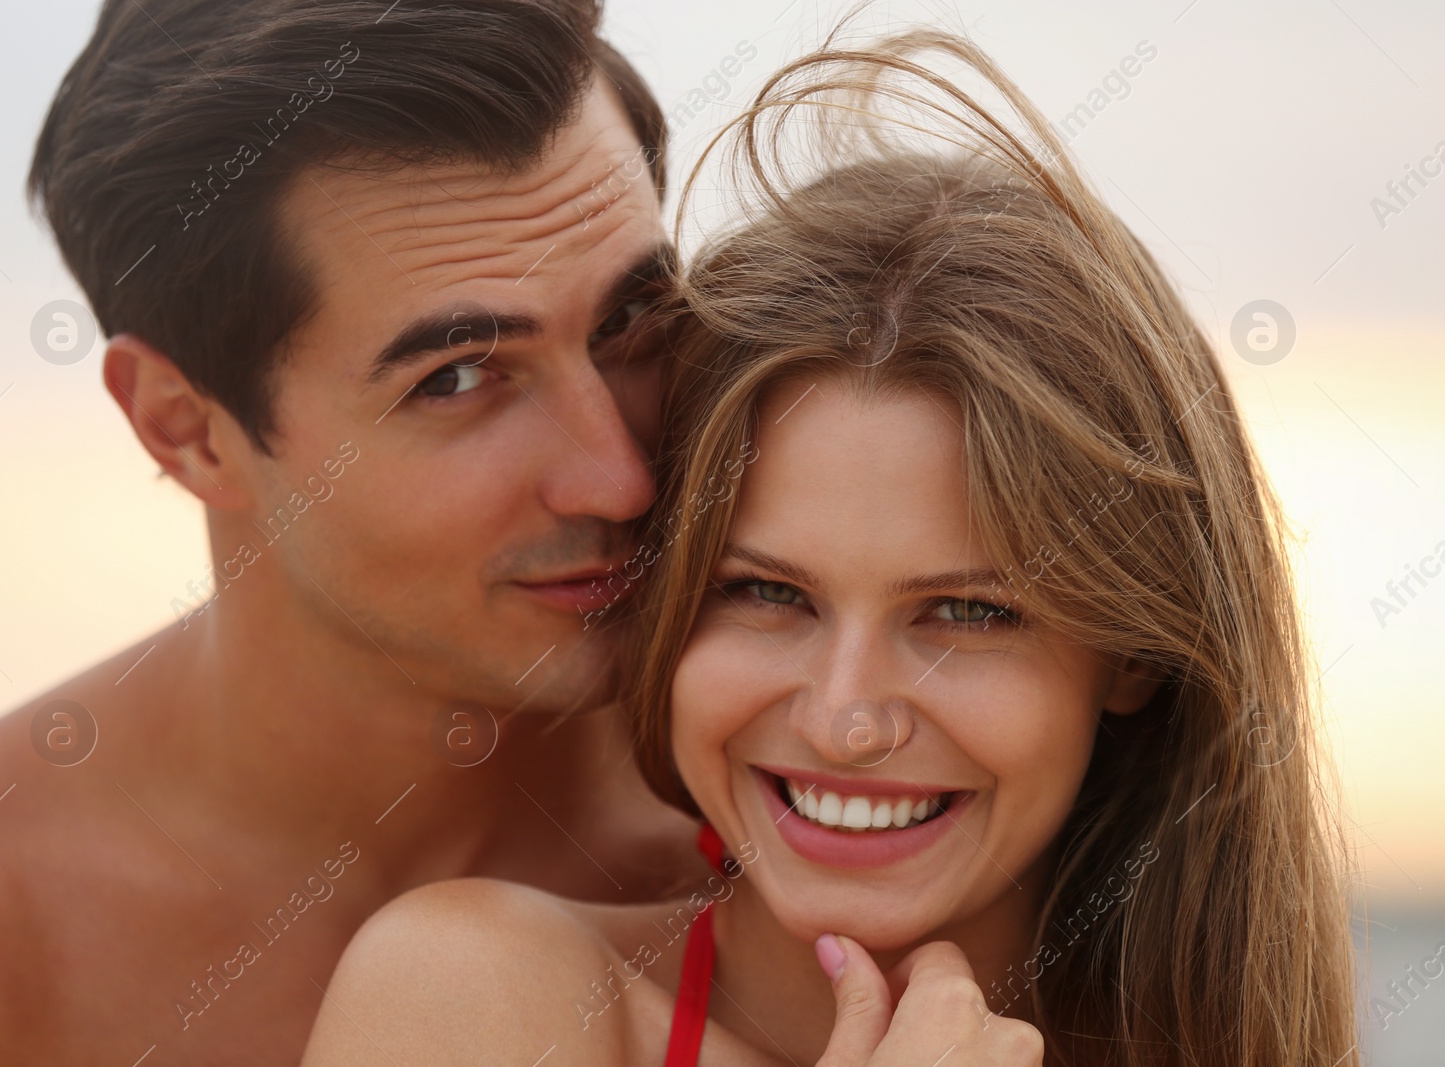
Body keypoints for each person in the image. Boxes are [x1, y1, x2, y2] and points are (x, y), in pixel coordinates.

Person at [301, 29, 1361, 1067]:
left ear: (1132, 655)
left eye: (968, 612)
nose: (845, 717)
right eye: (766, 591)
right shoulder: (476, 995)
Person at [0, 1, 703, 1062]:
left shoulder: (852, 813)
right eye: (456, 377)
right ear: (186, 430)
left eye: (629, 322)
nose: (620, 478)